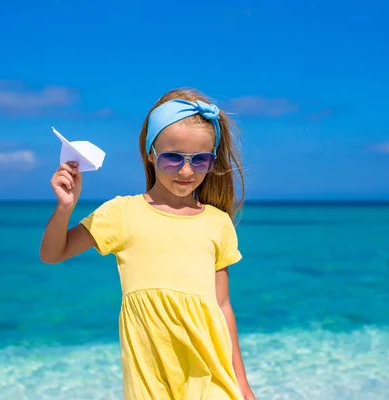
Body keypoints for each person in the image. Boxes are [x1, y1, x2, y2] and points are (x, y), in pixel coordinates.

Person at [40, 88, 255, 400]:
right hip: (149, 377)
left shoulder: (217, 222)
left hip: (211, 372)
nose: (185, 171)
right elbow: (52, 253)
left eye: (200, 161)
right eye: (172, 158)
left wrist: (242, 382)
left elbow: (223, 306)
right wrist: (65, 208)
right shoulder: (121, 213)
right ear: (151, 153)